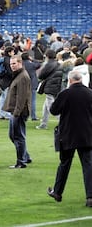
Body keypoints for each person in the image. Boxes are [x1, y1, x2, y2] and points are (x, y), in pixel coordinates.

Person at [47, 70, 92, 206]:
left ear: (70, 80)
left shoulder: (65, 94)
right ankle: (90, 196)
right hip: (87, 135)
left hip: (68, 135)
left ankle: (58, 192)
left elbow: (54, 110)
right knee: (88, 165)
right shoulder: (90, 93)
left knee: (65, 164)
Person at [3, 55, 32, 169]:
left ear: (20, 63)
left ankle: (21, 161)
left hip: (19, 112)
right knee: (14, 135)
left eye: (14, 64)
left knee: (17, 136)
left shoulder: (22, 77)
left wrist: (16, 113)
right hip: (16, 111)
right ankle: (25, 156)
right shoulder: (19, 76)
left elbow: (22, 98)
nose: (12, 66)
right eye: (11, 64)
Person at [36, 49, 62, 129]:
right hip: (56, 86)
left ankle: (63, 121)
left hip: (50, 86)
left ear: (47, 56)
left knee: (52, 107)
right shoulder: (58, 64)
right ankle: (43, 124)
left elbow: (40, 75)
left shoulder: (48, 64)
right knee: (46, 107)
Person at [21, 52, 41, 121]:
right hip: (32, 84)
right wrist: (33, 60)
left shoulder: (21, 65)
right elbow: (38, 64)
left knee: (23, 101)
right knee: (32, 101)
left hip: (23, 84)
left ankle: (23, 115)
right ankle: (33, 116)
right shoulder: (32, 65)